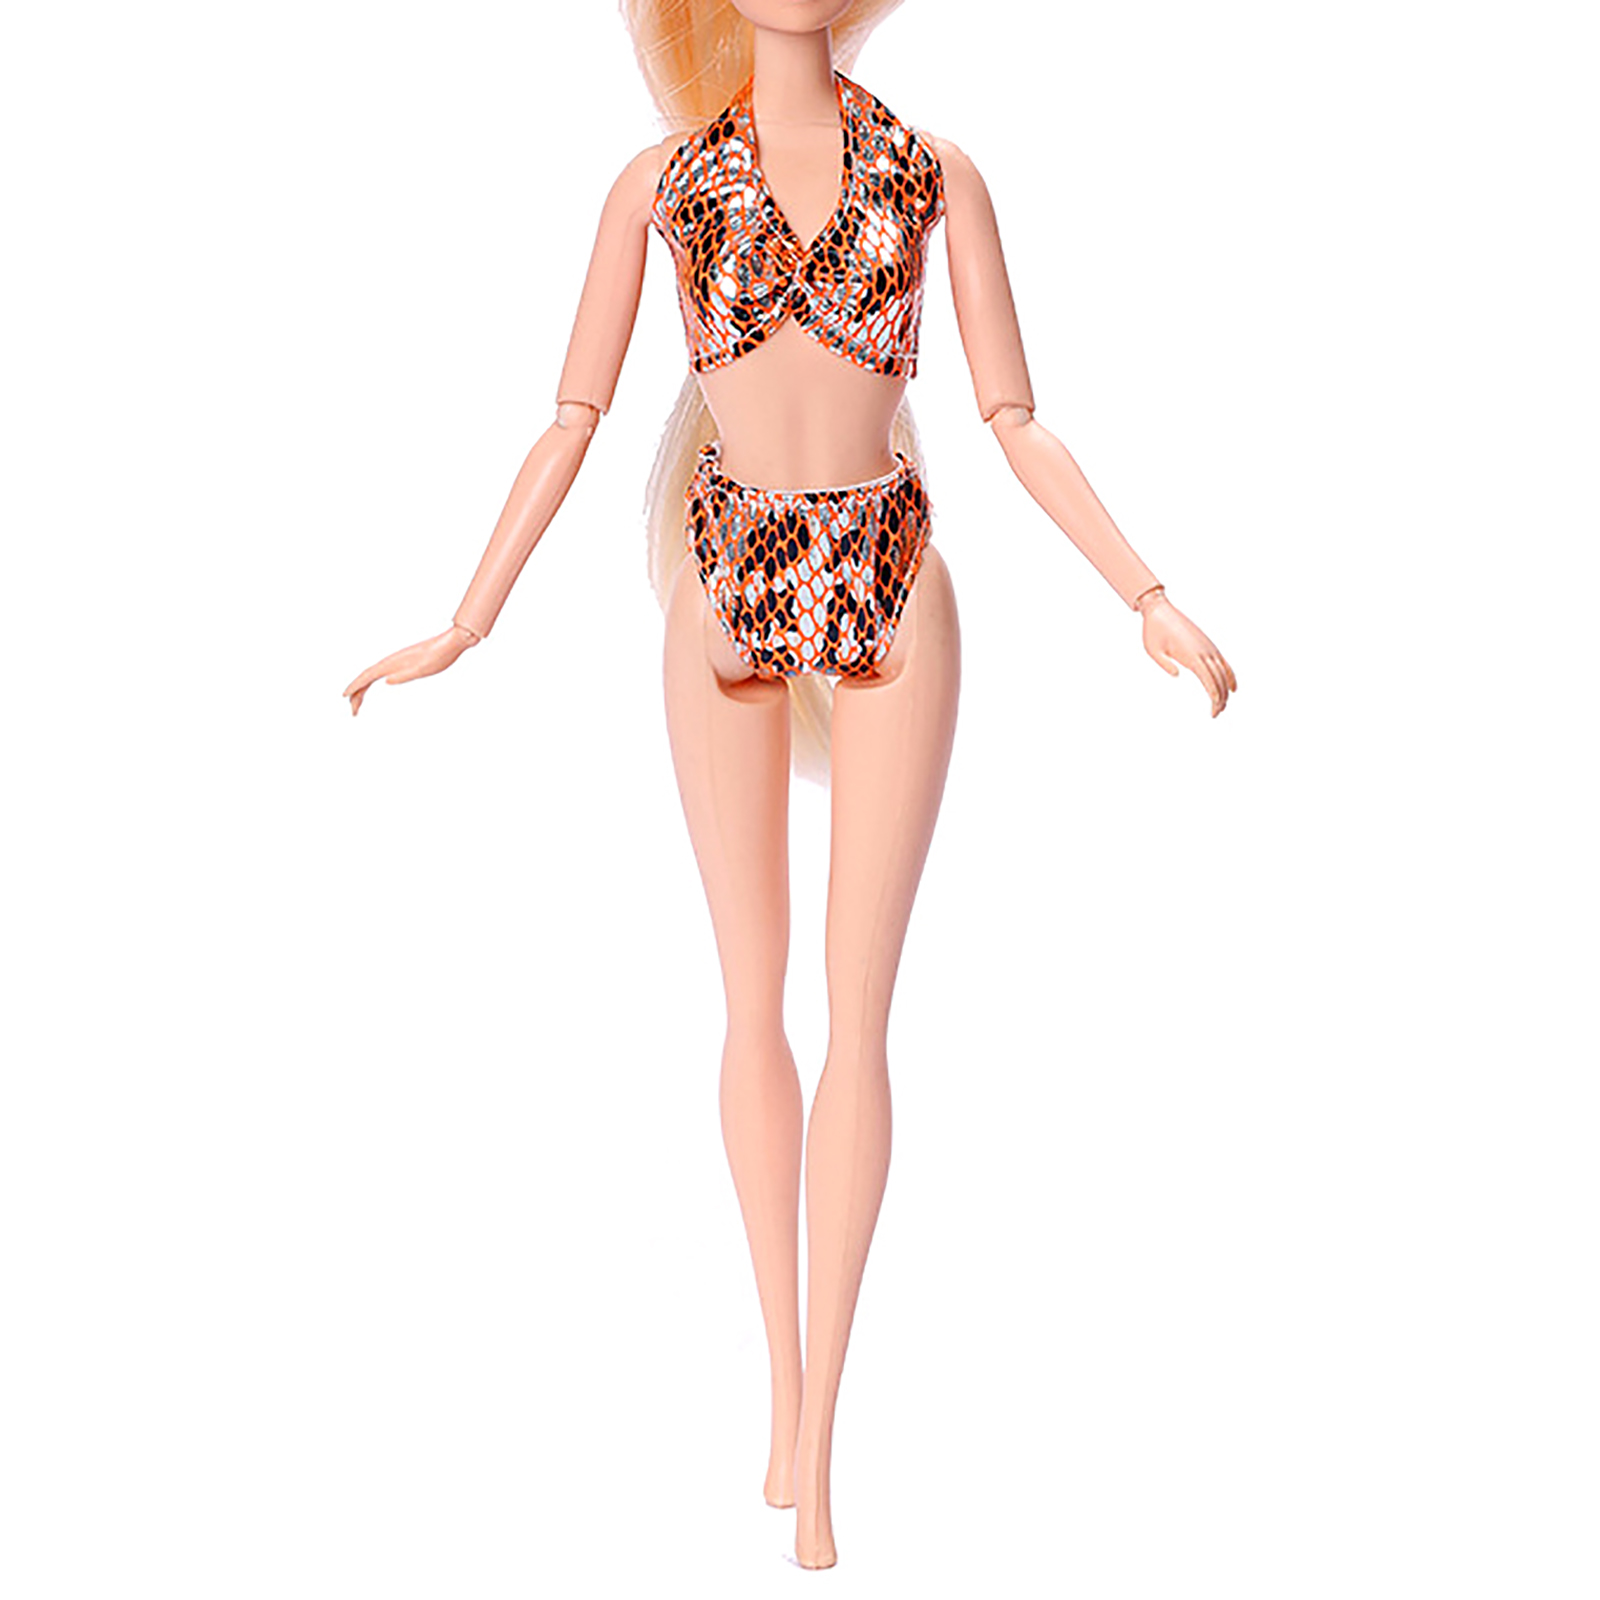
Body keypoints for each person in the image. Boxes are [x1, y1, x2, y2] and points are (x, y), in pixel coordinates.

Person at [343, 0, 1237, 1570]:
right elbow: (570, 418)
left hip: (895, 578)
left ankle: (823, 1443)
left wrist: (1148, 595)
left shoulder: (938, 172)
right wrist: (466, 621)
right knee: (750, 1003)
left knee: (858, 1020)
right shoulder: (660, 183)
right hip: (722, 580)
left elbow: (1016, 417)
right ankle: (780, 1383)